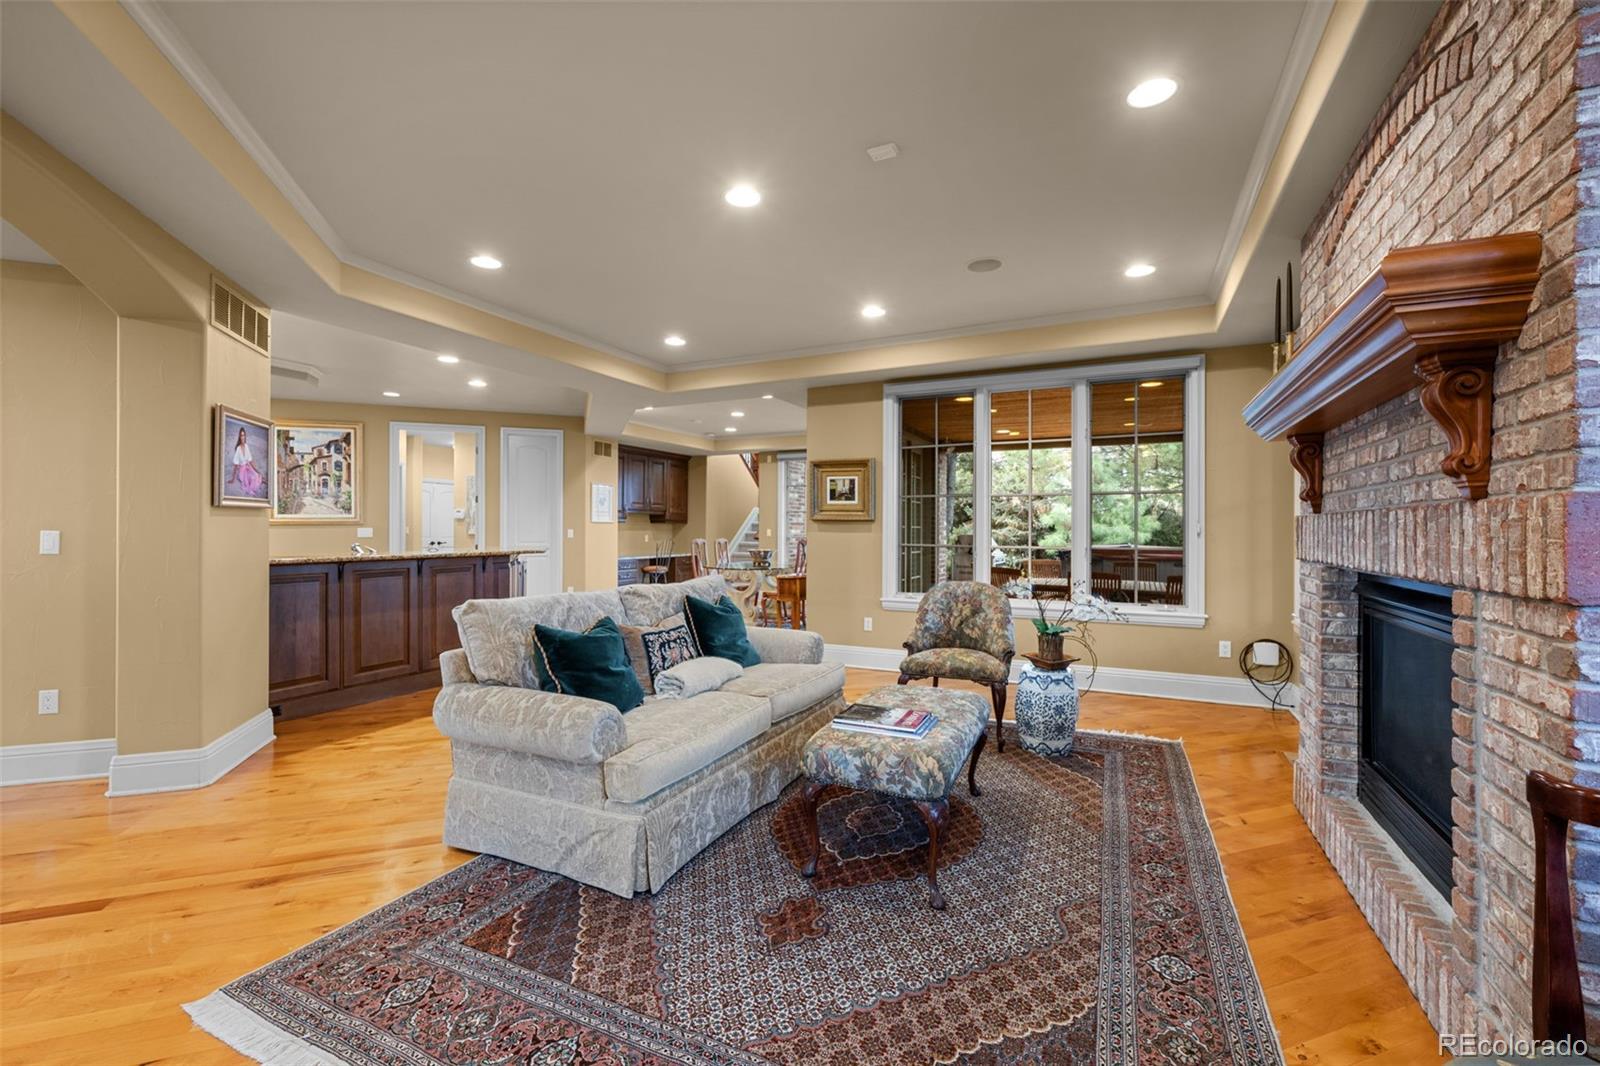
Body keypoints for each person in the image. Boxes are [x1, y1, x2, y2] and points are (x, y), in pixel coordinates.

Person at [231, 426, 264, 497]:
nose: (242, 437)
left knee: (256, 475)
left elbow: (250, 460)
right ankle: (253, 485)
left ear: (245, 436)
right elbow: (236, 465)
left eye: (244, 435)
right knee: (251, 478)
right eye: (241, 435)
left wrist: (256, 470)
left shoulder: (246, 446)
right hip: (242, 471)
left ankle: (260, 480)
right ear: (239, 437)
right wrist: (233, 479)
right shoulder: (238, 448)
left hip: (248, 467)